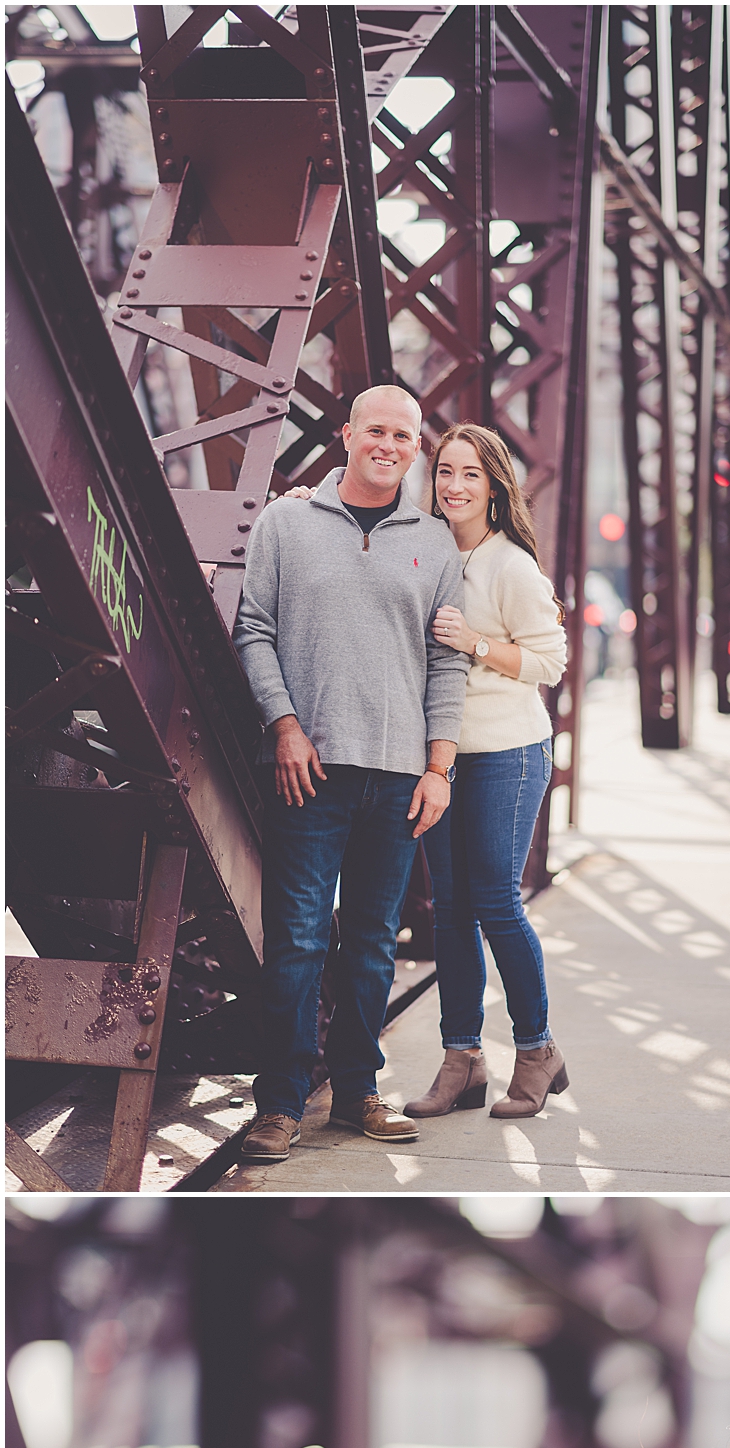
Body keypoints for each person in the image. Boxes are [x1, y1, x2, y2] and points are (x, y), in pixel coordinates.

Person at [233, 385, 468, 1160]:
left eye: (405, 436)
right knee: (297, 940)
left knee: (370, 944)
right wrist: (285, 725)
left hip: (399, 779)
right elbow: (254, 629)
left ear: (416, 448)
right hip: (312, 772)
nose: (390, 445)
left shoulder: (434, 543)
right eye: (377, 430)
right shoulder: (285, 522)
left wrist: (439, 768)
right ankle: (280, 1104)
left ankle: (359, 1090)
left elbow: (445, 662)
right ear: (346, 435)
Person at [403, 422, 571, 1121]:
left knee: (497, 901)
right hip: (442, 756)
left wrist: (474, 643)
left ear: (494, 486)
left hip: (509, 752)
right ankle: (463, 1058)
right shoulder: (426, 550)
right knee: (452, 910)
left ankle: (535, 1049)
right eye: (445, 471)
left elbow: (550, 660)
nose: (455, 486)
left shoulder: (511, 567)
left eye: (470, 474)